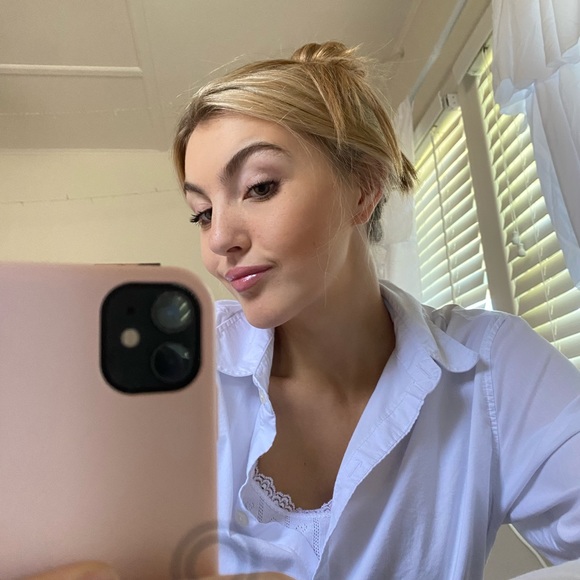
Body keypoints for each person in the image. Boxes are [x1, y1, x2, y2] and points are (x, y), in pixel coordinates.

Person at [28, 41, 580, 579]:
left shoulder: (493, 367)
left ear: (363, 187)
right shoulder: (187, 372)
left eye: (259, 187)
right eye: (202, 213)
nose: (218, 240)